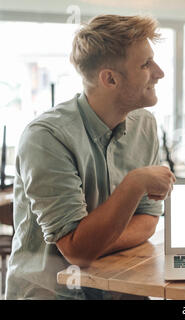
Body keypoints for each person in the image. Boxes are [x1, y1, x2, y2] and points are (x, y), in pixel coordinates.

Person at [6, 15, 176, 299]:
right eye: (146, 64)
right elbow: (77, 251)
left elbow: (147, 220)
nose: (159, 72)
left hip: (121, 288)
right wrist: (135, 183)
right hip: (54, 294)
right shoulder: (46, 137)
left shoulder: (144, 124)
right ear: (109, 78)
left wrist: (93, 242)